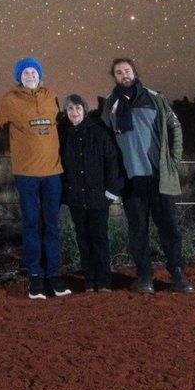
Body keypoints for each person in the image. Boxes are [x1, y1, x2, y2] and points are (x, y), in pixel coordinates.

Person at [0, 57, 68, 299]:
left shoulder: (52, 96)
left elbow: (66, 122)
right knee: (30, 224)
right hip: (26, 174)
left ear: (40, 75)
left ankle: (54, 275)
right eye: (25, 72)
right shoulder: (10, 99)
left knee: (52, 225)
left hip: (53, 174)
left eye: (34, 71)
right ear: (19, 77)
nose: (30, 75)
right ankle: (36, 276)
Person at [99, 57, 195, 294]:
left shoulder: (155, 98)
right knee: (138, 232)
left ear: (135, 72)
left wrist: (174, 161)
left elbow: (175, 128)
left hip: (158, 176)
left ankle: (178, 275)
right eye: (119, 72)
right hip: (131, 180)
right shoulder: (110, 104)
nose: (124, 75)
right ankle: (145, 278)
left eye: (127, 70)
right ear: (115, 77)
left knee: (169, 229)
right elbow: (106, 140)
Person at [58, 94, 123, 292]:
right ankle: (89, 280)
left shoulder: (98, 132)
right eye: (70, 109)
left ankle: (104, 281)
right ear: (66, 112)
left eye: (78, 108)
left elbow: (112, 160)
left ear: (85, 110)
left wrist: (111, 192)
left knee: (100, 239)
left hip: (98, 196)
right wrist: (65, 194)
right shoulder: (64, 134)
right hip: (76, 197)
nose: (74, 112)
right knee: (83, 239)